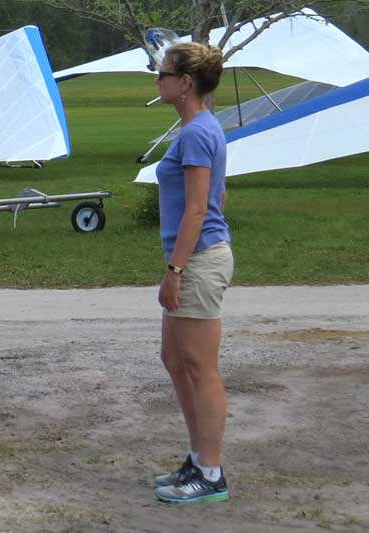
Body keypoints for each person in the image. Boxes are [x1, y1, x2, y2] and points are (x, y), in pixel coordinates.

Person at [153, 42, 234, 504]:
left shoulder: (198, 132)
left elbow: (200, 208)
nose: (158, 81)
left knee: (201, 367)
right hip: (195, 256)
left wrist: (176, 269)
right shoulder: (198, 129)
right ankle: (198, 455)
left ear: (185, 83)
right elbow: (219, 196)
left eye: (163, 74)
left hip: (198, 261)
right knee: (174, 358)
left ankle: (211, 472)